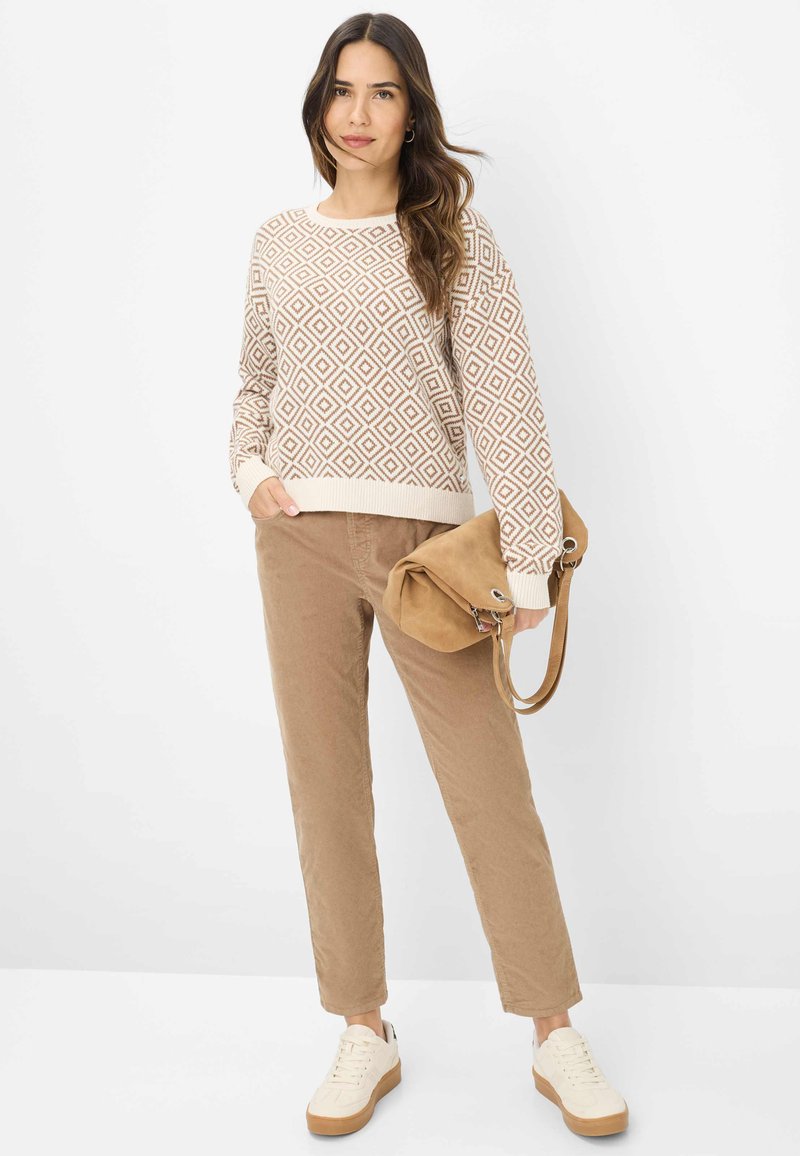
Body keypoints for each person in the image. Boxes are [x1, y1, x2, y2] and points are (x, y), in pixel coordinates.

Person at [228, 12, 628, 1141]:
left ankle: (552, 1030)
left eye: (383, 93)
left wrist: (530, 559)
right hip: (297, 538)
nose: (357, 114)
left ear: (413, 112)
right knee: (326, 789)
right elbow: (252, 379)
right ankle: (363, 1026)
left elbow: (506, 396)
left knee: (489, 789)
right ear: (319, 104)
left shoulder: (451, 234)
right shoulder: (277, 240)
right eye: (341, 90)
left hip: (428, 557)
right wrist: (251, 469)